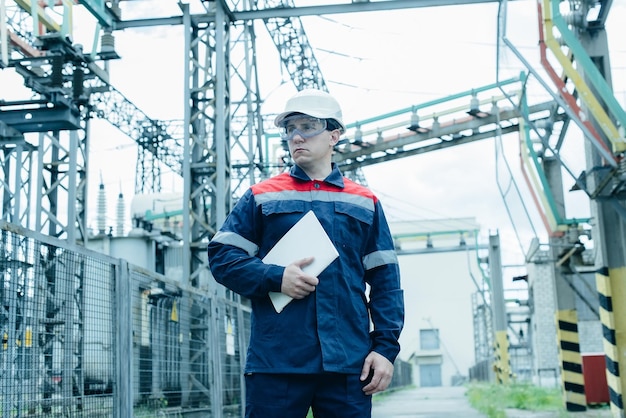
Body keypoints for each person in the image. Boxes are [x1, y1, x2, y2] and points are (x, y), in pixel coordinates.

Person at [207, 89, 404, 418]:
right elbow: (223, 257)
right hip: (277, 361)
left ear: (334, 135)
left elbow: (385, 282)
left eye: (308, 126)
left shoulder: (364, 202)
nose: (296, 136)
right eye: (290, 129)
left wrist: (384, 349)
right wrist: (276, 277)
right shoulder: (262, 196)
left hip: (347, 363)